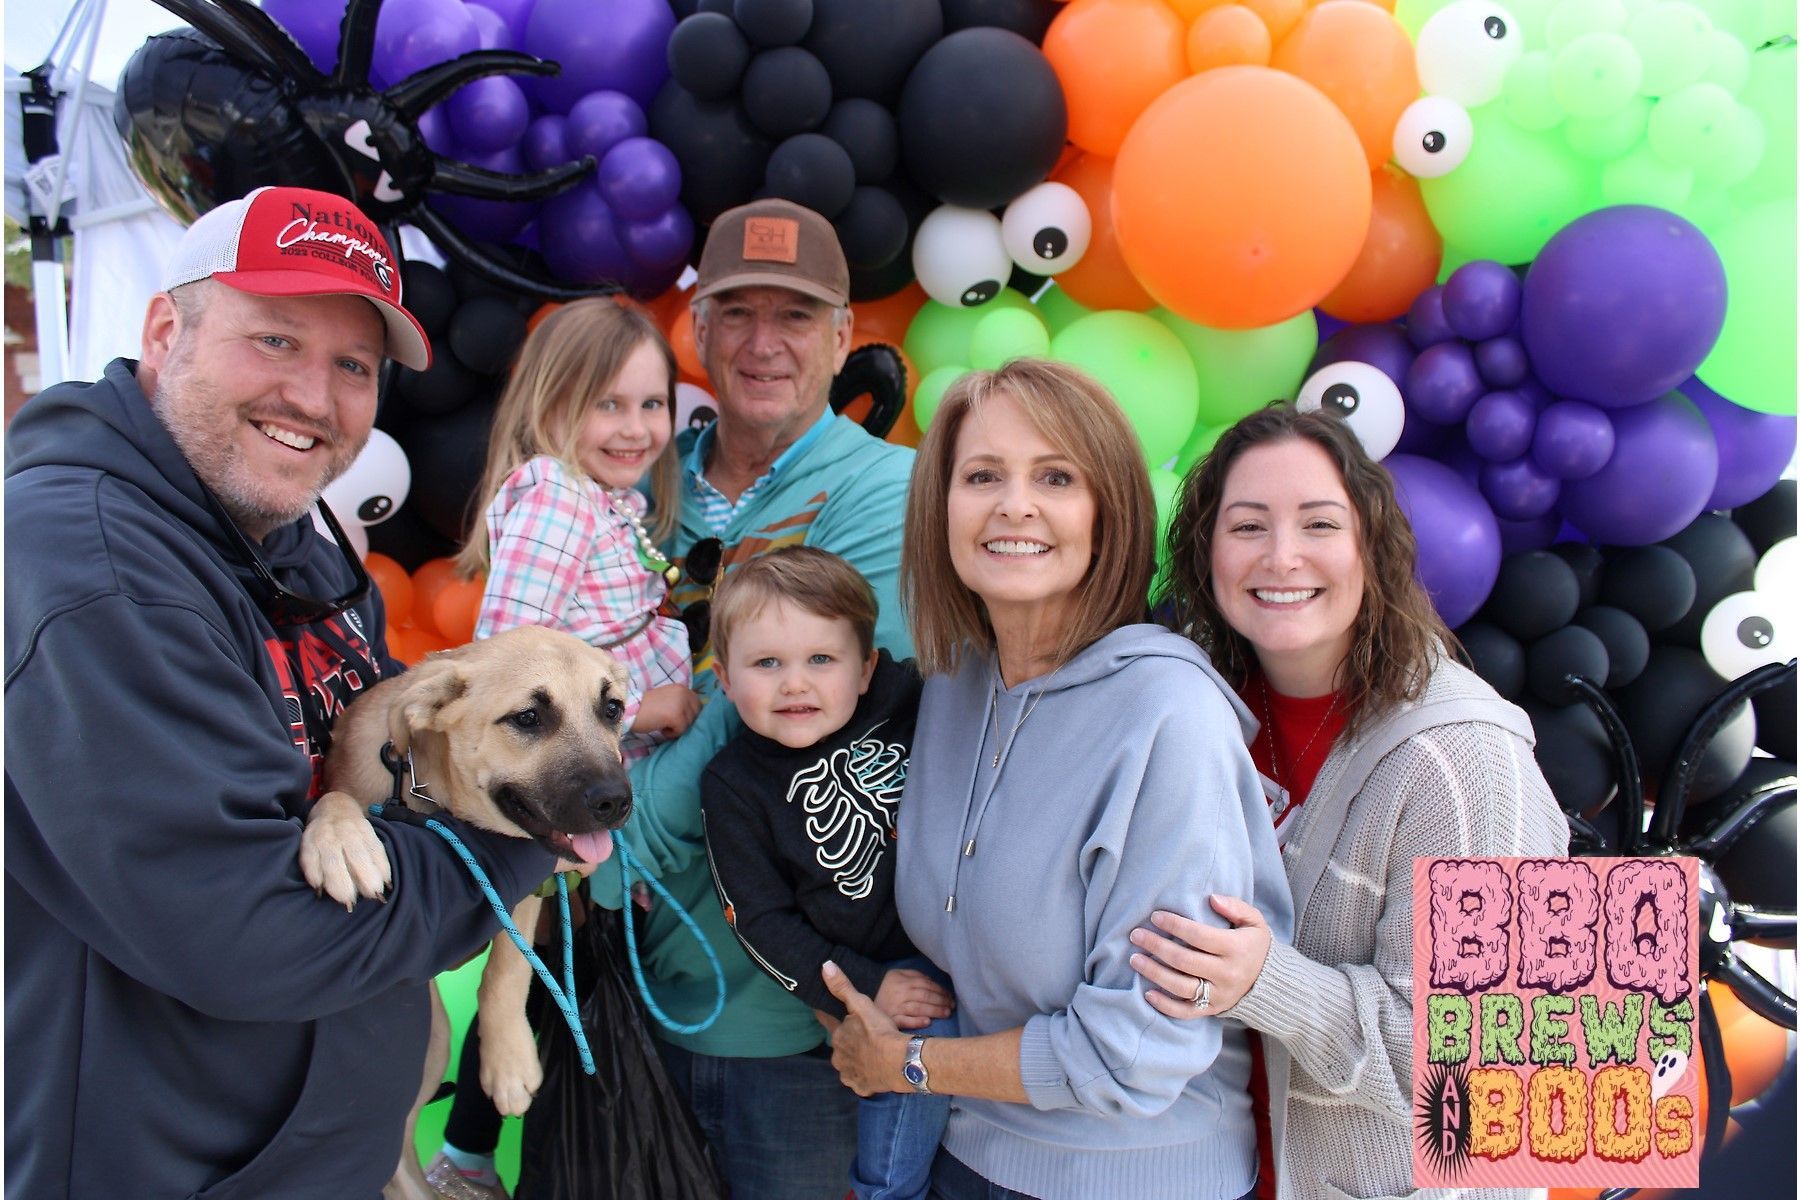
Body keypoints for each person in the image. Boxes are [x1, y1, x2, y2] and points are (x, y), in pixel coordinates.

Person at [4, 186, 563, 1200]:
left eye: (354, 366)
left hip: (323, 1156)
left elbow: (388, 758)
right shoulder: (95, 568)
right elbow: (251, 933)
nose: (315, 396)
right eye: (274, 340)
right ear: (167, 329)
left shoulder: (282, 530)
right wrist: (520, 837)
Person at [822, 358, 1295, 1200]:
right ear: (941, 510)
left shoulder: (1169, 717)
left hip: (1129, 1181)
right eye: (981, 476)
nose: (1014, 505)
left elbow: (1135, 1053)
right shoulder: (957, 685)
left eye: (1055, 476)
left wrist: (906, 1065)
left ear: (1107, 513)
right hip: (961, 1157)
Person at [1129, 404, 1569, 1200]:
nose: (1282, 556)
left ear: (1371, 546)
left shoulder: (1469, 755)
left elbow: (1502, 1078)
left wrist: (1268, 982)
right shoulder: (1209, 713)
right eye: (1248, 525)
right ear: (1206, 551)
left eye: (1320, 524)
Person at [588, 198, 916, 1197]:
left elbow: (781, 705)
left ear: (844, 336)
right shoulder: (635, 482)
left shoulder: (889, 487)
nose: (764, 343)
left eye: (796, 315)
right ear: (696, 328)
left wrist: (615, 840)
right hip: (622, 984)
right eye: (737, 312)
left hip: (789, 1020)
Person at [424, 298, 702, 1199]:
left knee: (557, 963)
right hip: (570, 777)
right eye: (606, 405)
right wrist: (652, 704)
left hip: (612, 772)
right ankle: (467, 1157)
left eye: (651, 405)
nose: (635, 428)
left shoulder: (608, 502)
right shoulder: (553, 497)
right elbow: (519, 651)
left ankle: (472, 1152)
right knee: (541, 958)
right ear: (550, 407)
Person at [700, 546, 955, 1200]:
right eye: (766, 664)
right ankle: (886, 1190)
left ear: (866, 668)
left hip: (975, 946)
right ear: (724, 680)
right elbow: (759, 922)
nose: (795, 683)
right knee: (906, 1053)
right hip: (884, 977)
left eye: (822, 659)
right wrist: (863, 988)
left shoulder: (911, 699)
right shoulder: (734, 785)